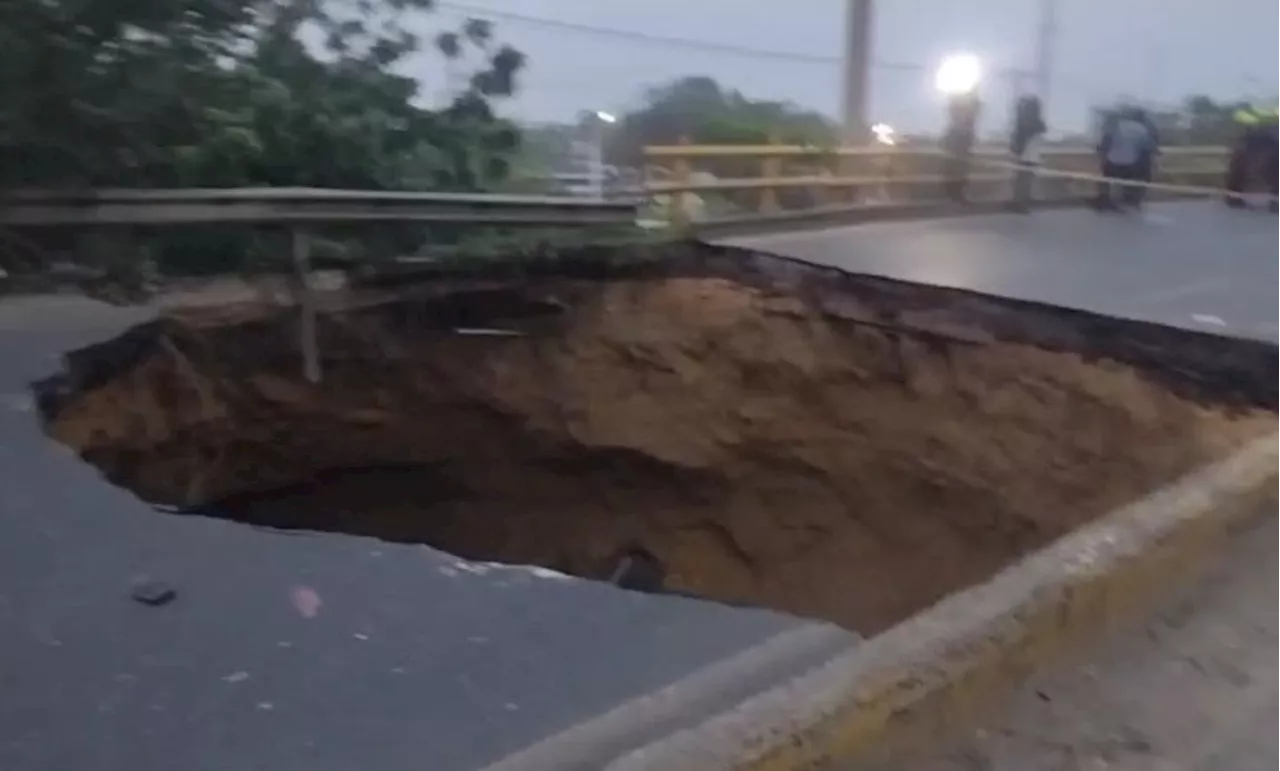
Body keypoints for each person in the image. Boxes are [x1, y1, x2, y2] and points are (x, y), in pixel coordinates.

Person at [1094, 105, 1157, 212]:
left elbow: (1105, 144)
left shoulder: (1114, 126)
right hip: (1132, 166)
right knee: (1140, 174)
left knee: (1104, 177)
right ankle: (1133, 199)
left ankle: (1104, 200)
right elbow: (1148, 148)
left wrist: (1100, 153)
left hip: (1113, 164)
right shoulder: (1142, 129)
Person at [1009, 95, 1047, 213]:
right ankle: (1021, 204)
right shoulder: (1035, 123)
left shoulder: (1024, 123)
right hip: (1030, 156)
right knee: (1025, 182)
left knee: (1022, 182)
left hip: (1025, 156)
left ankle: (1019, 203)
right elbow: (1042, 129)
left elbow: (1018, 138)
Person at [942, 91, 981, 203]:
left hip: (963, 143)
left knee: (962, 170)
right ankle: (955, 193)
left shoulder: (967, 118)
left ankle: (958, 193)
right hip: (958, 142)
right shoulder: (959, 115)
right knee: (956, 169)